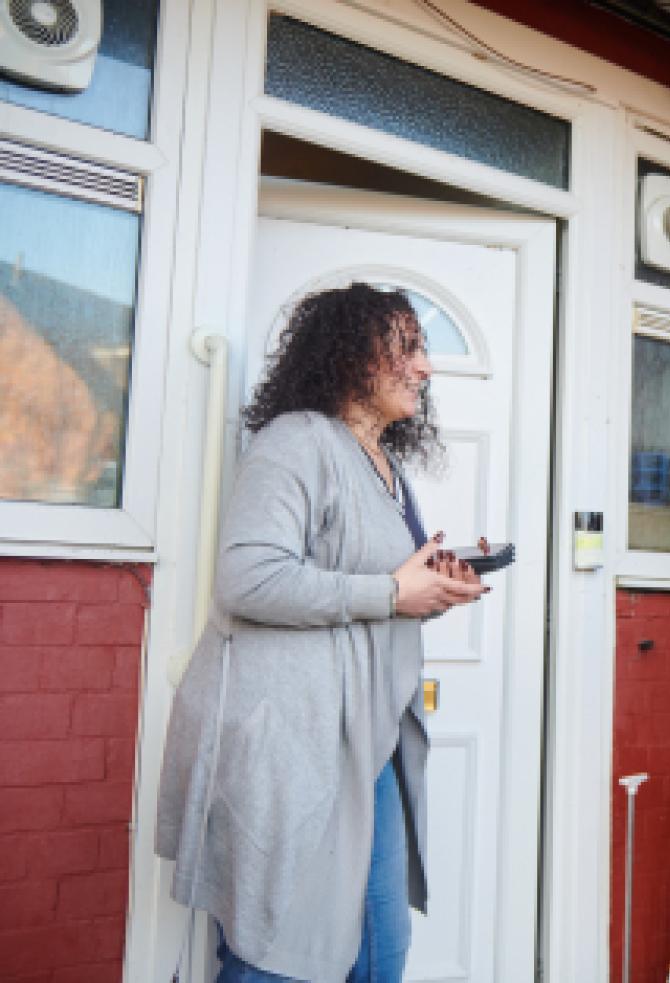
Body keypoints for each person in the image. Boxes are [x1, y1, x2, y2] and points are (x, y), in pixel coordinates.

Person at [156, 283, 488, 982]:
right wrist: (393, 590)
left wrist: (432, 588)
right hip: (294, 747)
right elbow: (247, 578)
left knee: (378, 954)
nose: (425, 367)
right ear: (351, 356)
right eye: (407, 347)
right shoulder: (297, 441)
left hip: (369, 743)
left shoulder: (388, 468)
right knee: (278, 957)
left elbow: (375, 593)